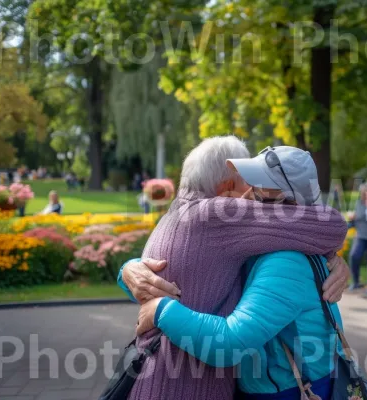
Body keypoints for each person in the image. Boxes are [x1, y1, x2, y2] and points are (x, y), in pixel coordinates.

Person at [116, 138, 350, 399]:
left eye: (258, 185)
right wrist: (130, 271)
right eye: (247, 182)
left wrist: (159, 308)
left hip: (286, 390)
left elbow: (230, 343)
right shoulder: (227, 227)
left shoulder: (284, 260)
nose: (248, 194)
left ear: (286, 200)